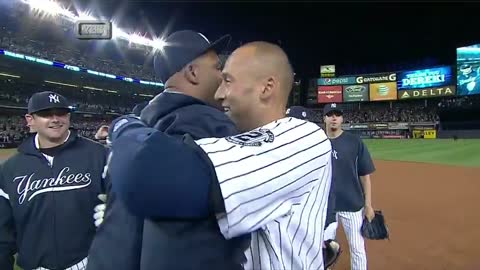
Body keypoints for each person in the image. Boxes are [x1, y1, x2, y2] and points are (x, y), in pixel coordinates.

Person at [106, 41, 333, 269]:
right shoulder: (230, 137)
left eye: (227, 80)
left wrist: (125, 125)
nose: (218, 93)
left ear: (266, 87)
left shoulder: (301, 137)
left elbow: (145, 176)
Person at [87, 30, 249, 270]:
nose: (222, 75)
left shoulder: (139, 122)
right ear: (193, 72)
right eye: (216, 68)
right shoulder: (208, 121)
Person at [0, 91, 108, 270]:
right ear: (30, 120)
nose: (55, 119)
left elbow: (123, 206)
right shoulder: (10, 169)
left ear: (69, 117)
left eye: (61, 113)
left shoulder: (99, 155)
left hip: (90, 263)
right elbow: (2, 234)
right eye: (45, 114)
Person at [286, 105, 342, 270]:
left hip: (316, 222)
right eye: (293, 123)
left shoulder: (319, 151)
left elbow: (328, 190)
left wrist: (328, 224)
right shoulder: (279, 152)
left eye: (302, 124)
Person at [322, 103, 376, 270]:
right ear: (324, 118)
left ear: (342, 118)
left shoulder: (354, 142)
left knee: (357, 248)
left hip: (352, 205)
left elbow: (365, 176)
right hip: (325, 207)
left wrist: (368, 205)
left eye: (337, 114)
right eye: (330, 114)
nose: (333, 118)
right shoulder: (317, 142)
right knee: (324, 248)